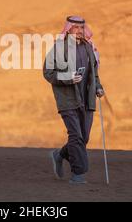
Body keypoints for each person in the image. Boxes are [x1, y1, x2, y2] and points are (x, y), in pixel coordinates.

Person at [43, 15, 105, 184]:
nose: (80, 31)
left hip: (87, 99)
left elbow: (94, 73)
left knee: (83, 138)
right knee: (76, 136)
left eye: (82, 27)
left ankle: (61, 154)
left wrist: (98, 86)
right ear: (68, 28)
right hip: (67, 99)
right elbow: (47, 73)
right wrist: (68, 77)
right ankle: (78, 174)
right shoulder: (59, 48)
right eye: (76, 27)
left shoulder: (89, 48)